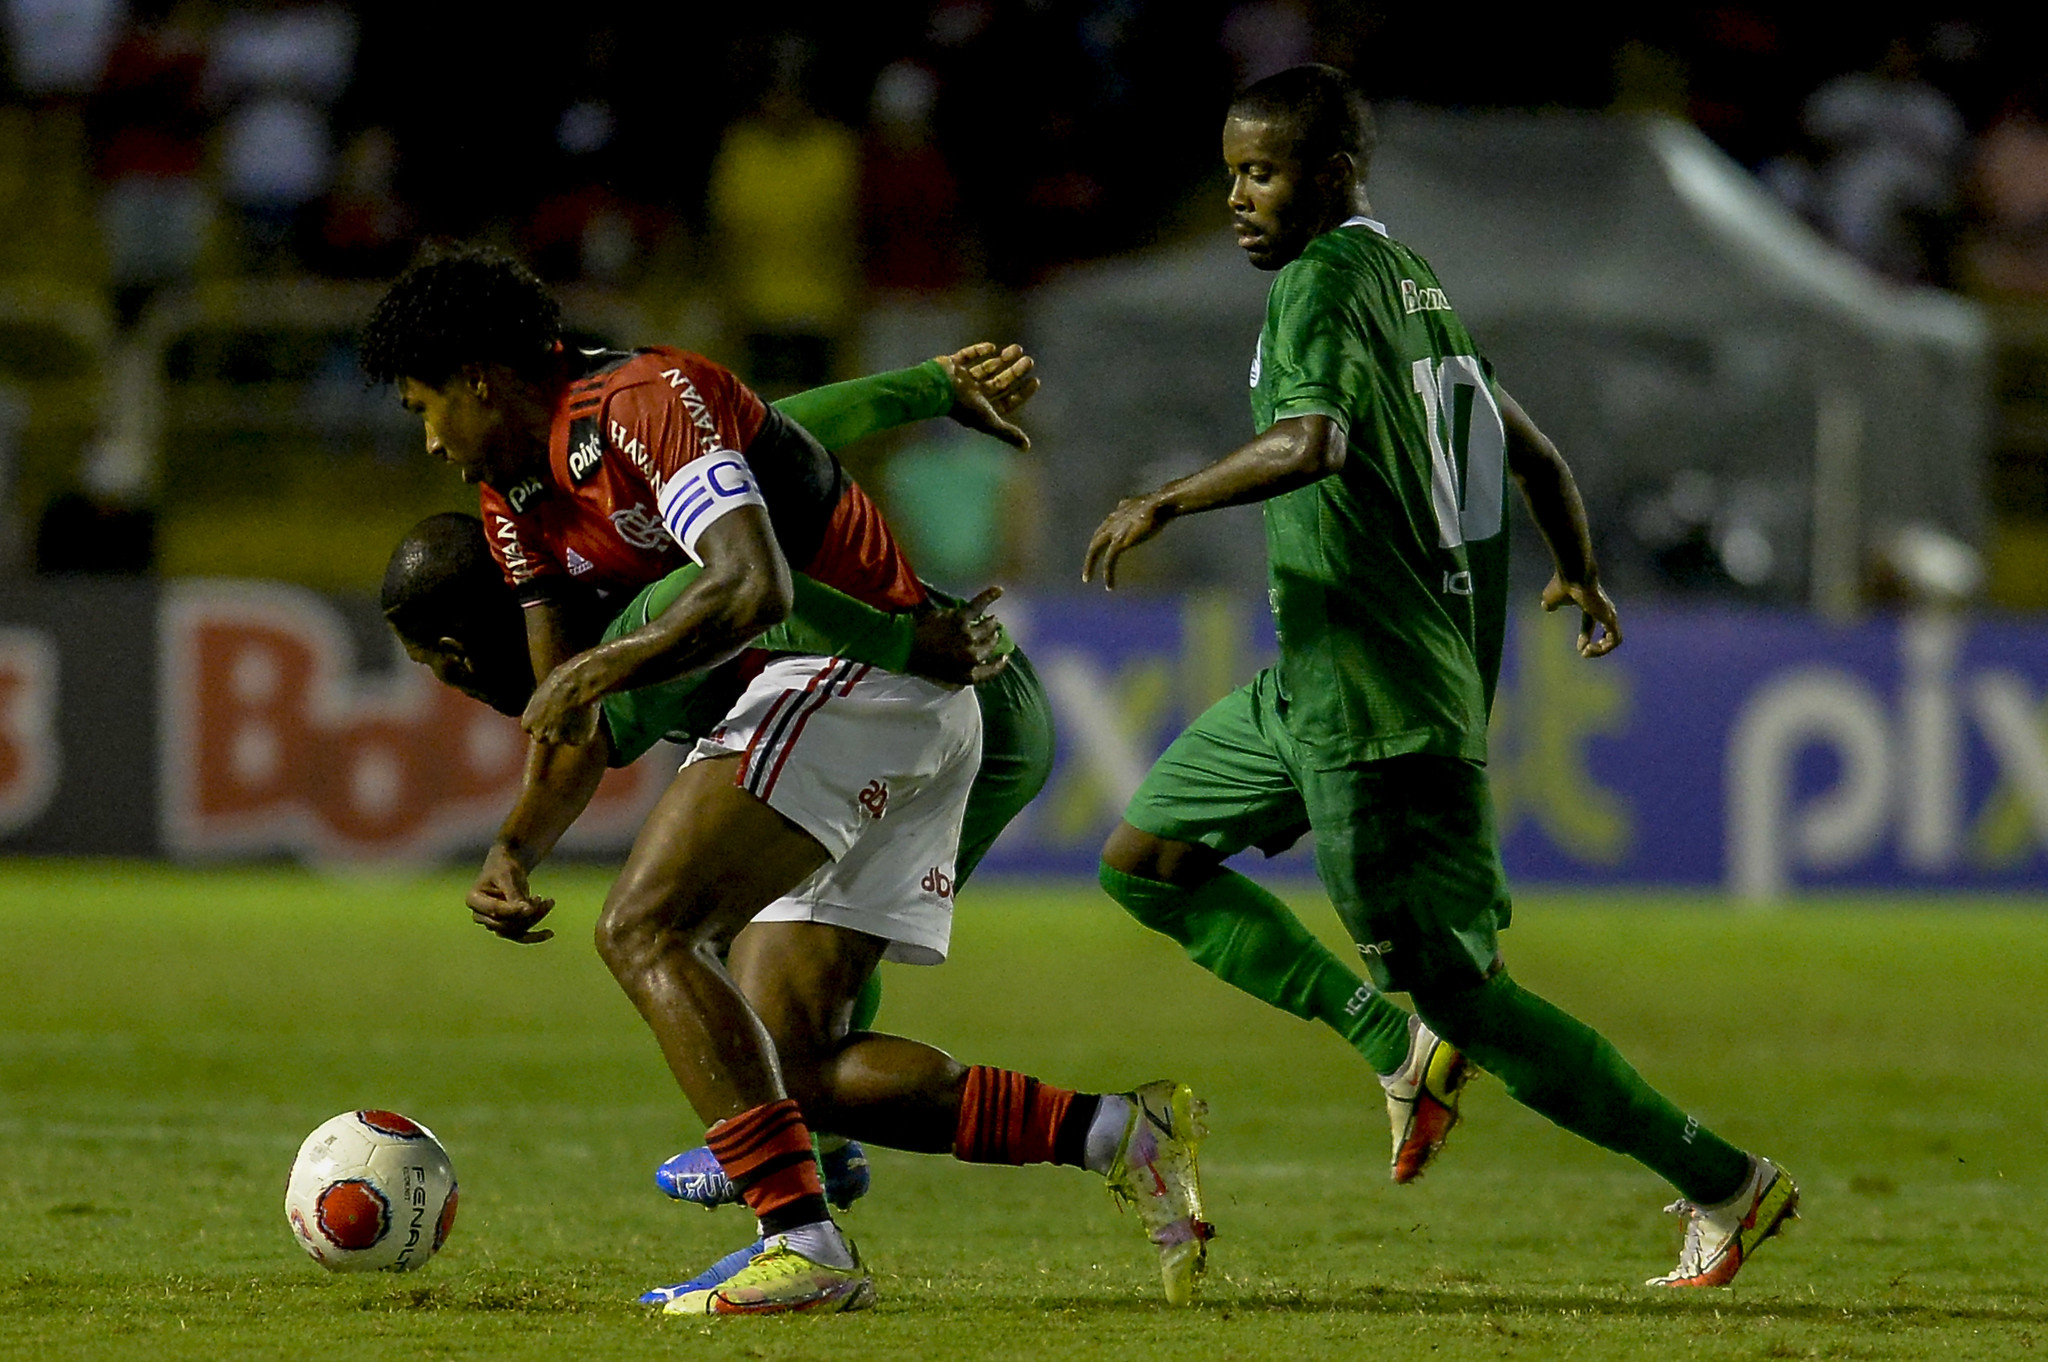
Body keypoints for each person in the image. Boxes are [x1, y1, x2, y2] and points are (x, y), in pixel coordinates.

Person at [359, 251, 1210, 1313]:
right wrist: (514, 845)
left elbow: (751, 586)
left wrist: (606, 663)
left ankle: (802, 1239)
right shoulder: (513, 499)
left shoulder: (640, 397)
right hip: (879, 696)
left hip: (859, 675)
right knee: (791, 1058)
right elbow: (565, 711)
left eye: (425, 406)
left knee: (645, 928)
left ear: (478, 376)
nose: (428, 439)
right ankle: (1119, 1135)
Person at [1083, 65, 1797, 1289]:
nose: (1239, 200)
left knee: (1468, 999)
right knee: (1143, 862)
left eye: (1260, 172)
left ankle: (1719, 1180)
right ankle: (1385, 1041)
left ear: (1333, 172)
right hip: (1311, 683)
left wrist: (1166, 498)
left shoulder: (1320, 282)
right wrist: (1574, 567)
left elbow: (1314, 442)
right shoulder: (1410, 284)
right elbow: (1527, 446)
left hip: (1380, 710)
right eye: (1230, 176)